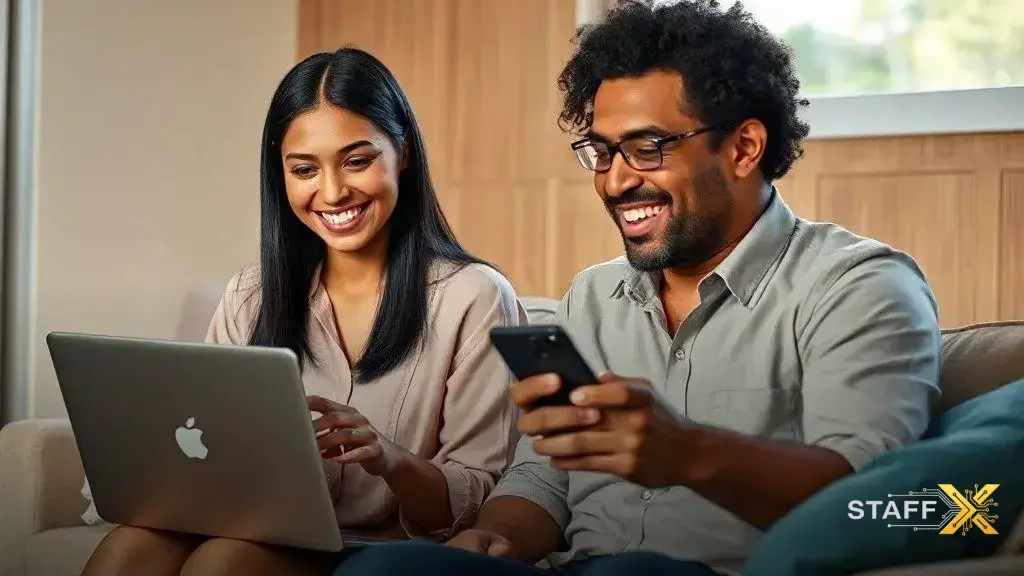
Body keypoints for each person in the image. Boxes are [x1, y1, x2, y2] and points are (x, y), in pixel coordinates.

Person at [333, 1, 942, 575]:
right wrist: (499, 538)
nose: (616, 181)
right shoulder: (594, 297)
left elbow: (878, 499)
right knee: (381, 568)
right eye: (601, 153)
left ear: (744, 147)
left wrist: (689, 454)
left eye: (647, 148)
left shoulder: (857, 285)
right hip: (580, 568)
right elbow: (543, 478)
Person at [80, 46, 525, 576]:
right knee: (128, 548)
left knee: (224, 564)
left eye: (357, 160)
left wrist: (389, 459)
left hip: (380, 553)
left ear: (402, 152)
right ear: (281, 174)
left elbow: (483, 494)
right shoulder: (253, 293)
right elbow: (199, 437)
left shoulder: (472, 296)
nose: (333, 192)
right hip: (261, 527)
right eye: (304, 169)